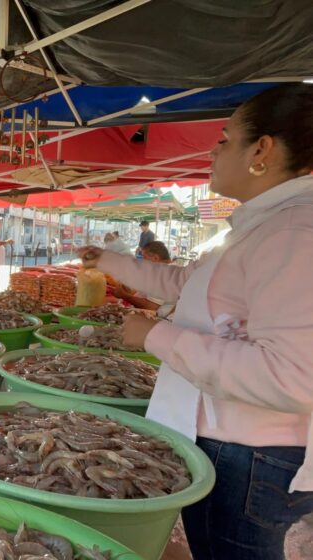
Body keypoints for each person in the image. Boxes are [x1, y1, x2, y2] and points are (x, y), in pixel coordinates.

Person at [79, 83, 313, 560]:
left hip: (251, 455)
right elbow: (188, 283)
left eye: (225, 139)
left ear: (262, 150)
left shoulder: (293, 232)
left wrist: (158, 336)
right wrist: (109, 261)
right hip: (236, 446)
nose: (213, 150)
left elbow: (293, 376)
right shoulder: (264, 226)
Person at [112, 241, 172, 312]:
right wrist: (128, 292)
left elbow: (152, 306)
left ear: (155, 258)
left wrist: (124, 295)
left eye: (144, 258)